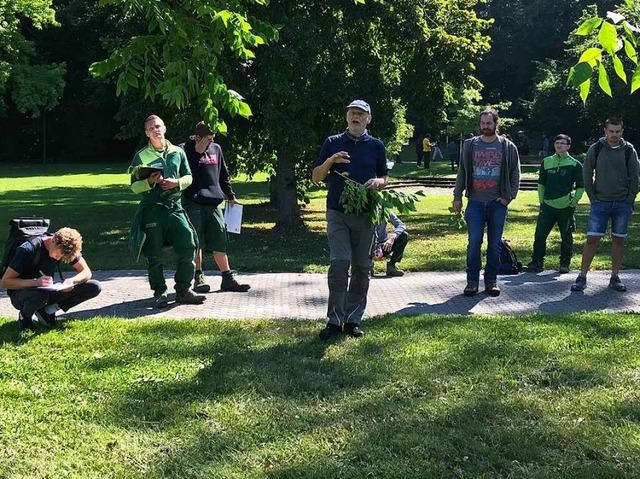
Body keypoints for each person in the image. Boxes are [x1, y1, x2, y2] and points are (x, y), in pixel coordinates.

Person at [312, 99, 388, 339]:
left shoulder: (376, 146)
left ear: (368, 119)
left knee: (362, 267)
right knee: (339, 263)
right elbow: (316, 177)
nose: (356, 117)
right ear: (346, 117)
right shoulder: (333, 143)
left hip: (366, 215)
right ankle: (334, 320)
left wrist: (378, 182)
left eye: (360, 114)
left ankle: (353, 320)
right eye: (352, 113)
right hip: (337, 213)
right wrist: (330, 161)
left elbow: (384, 177)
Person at [128, 115, 205, 308]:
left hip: (175, 208)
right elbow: (134, 187)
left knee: (189, 245)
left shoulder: (178, 152)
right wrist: (149, 182)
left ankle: (183, 290)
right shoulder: (141, 156)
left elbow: (189, 177)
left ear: (165, 128)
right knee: (153, 254)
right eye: (151, 128)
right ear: (147, 132)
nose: (156, 130)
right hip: (153, 210)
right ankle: (160, 292)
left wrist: (176, 183)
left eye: (158, 126)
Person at [452, 108, 521, 297]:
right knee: (474, 242)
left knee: (494, 244)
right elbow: (462, 172)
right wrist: (457, 196)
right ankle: (472, 282)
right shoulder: (470, 145)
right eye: (482, 123)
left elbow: (515, 173)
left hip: (497, 203)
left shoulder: (507, 146)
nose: (485, 127)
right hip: (474, 202)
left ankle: (491, 281)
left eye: (489, 123)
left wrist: (509, 197)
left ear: (496, 124)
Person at [571, 117, 639, 292]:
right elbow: (587, 173)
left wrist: (630, 200)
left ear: (622, 131)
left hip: (622, 203)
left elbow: (635, 177)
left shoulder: (629, 150)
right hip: (600, 202)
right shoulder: (596, 148)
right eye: (611, 131)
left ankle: (615, 277)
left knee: (618, 240)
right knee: (592, 239)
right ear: (605, 131)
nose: (614, 135)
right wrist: (593, 198)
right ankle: (582, 276)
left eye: (617, 131)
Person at [182, 121, 250, 293]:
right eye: (207, 140)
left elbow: (223, 175)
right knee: (196, 241)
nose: (210, 143)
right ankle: (198, 277)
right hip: (194, 201)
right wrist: (197, 154)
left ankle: (227, 278)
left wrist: (231, 196)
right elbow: (185, 174)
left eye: (212, 139)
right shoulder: (184, 149)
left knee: (219, 239)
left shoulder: (216, 149)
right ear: (197, 137)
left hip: (214, 203)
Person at [0, 227, 102, 331]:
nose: (58, 258)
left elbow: (86, 272)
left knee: (94, 287)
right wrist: (35, 282)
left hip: (47, 290)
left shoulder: (65, 247)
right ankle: (25, 318)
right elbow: (5, 282)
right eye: (58, 255)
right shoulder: (28, 249)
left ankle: (48, 311)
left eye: (62, 257)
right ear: (53, 240)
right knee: (39, 296)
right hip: (22, 294)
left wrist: (72, 281)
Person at [526, 134, 584, 274]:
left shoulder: (575, 164)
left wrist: (574, 202)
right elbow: (541, 184)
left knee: (566, 236)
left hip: (565, 207)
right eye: (557, 143)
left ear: (568, 146)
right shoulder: (546, 161)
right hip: (547, 206)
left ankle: (564, 263)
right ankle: (537, 262)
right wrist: (542, 202)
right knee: (540, 235)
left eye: (563, 143)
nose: (559, 145)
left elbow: (581, 187)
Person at [372, 212, 409, 277]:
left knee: (404, 236)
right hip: (365, 246)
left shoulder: (385, 210)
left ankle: (391, 266)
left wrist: (392, 237)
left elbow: (401, 225)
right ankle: (366, 267)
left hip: (383, 246)